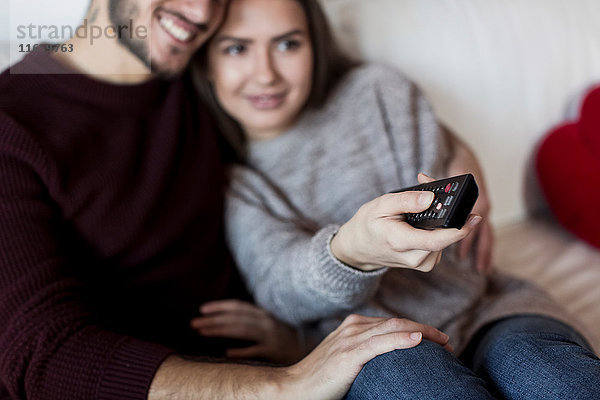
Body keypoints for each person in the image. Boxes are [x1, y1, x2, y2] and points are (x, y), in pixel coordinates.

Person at [0, 0, 455, 399]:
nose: (201, 12)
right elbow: (43, 356)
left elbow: (335, 97)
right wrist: (288, 385)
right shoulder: (13, 123)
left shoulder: (200, 77)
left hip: (279, 358)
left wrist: (452, 154)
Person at [191, 0, 600, 398]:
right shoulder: (237, 184)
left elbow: (447, 184)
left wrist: (461, 158)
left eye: (287, 44)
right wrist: (353, 249)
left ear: (315, 44)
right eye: (237, 48)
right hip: (371, 342)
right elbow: (281, 286)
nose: (265, 74)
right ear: (207, 61)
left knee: (555, 378)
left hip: (490, 309)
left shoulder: (378, 92)